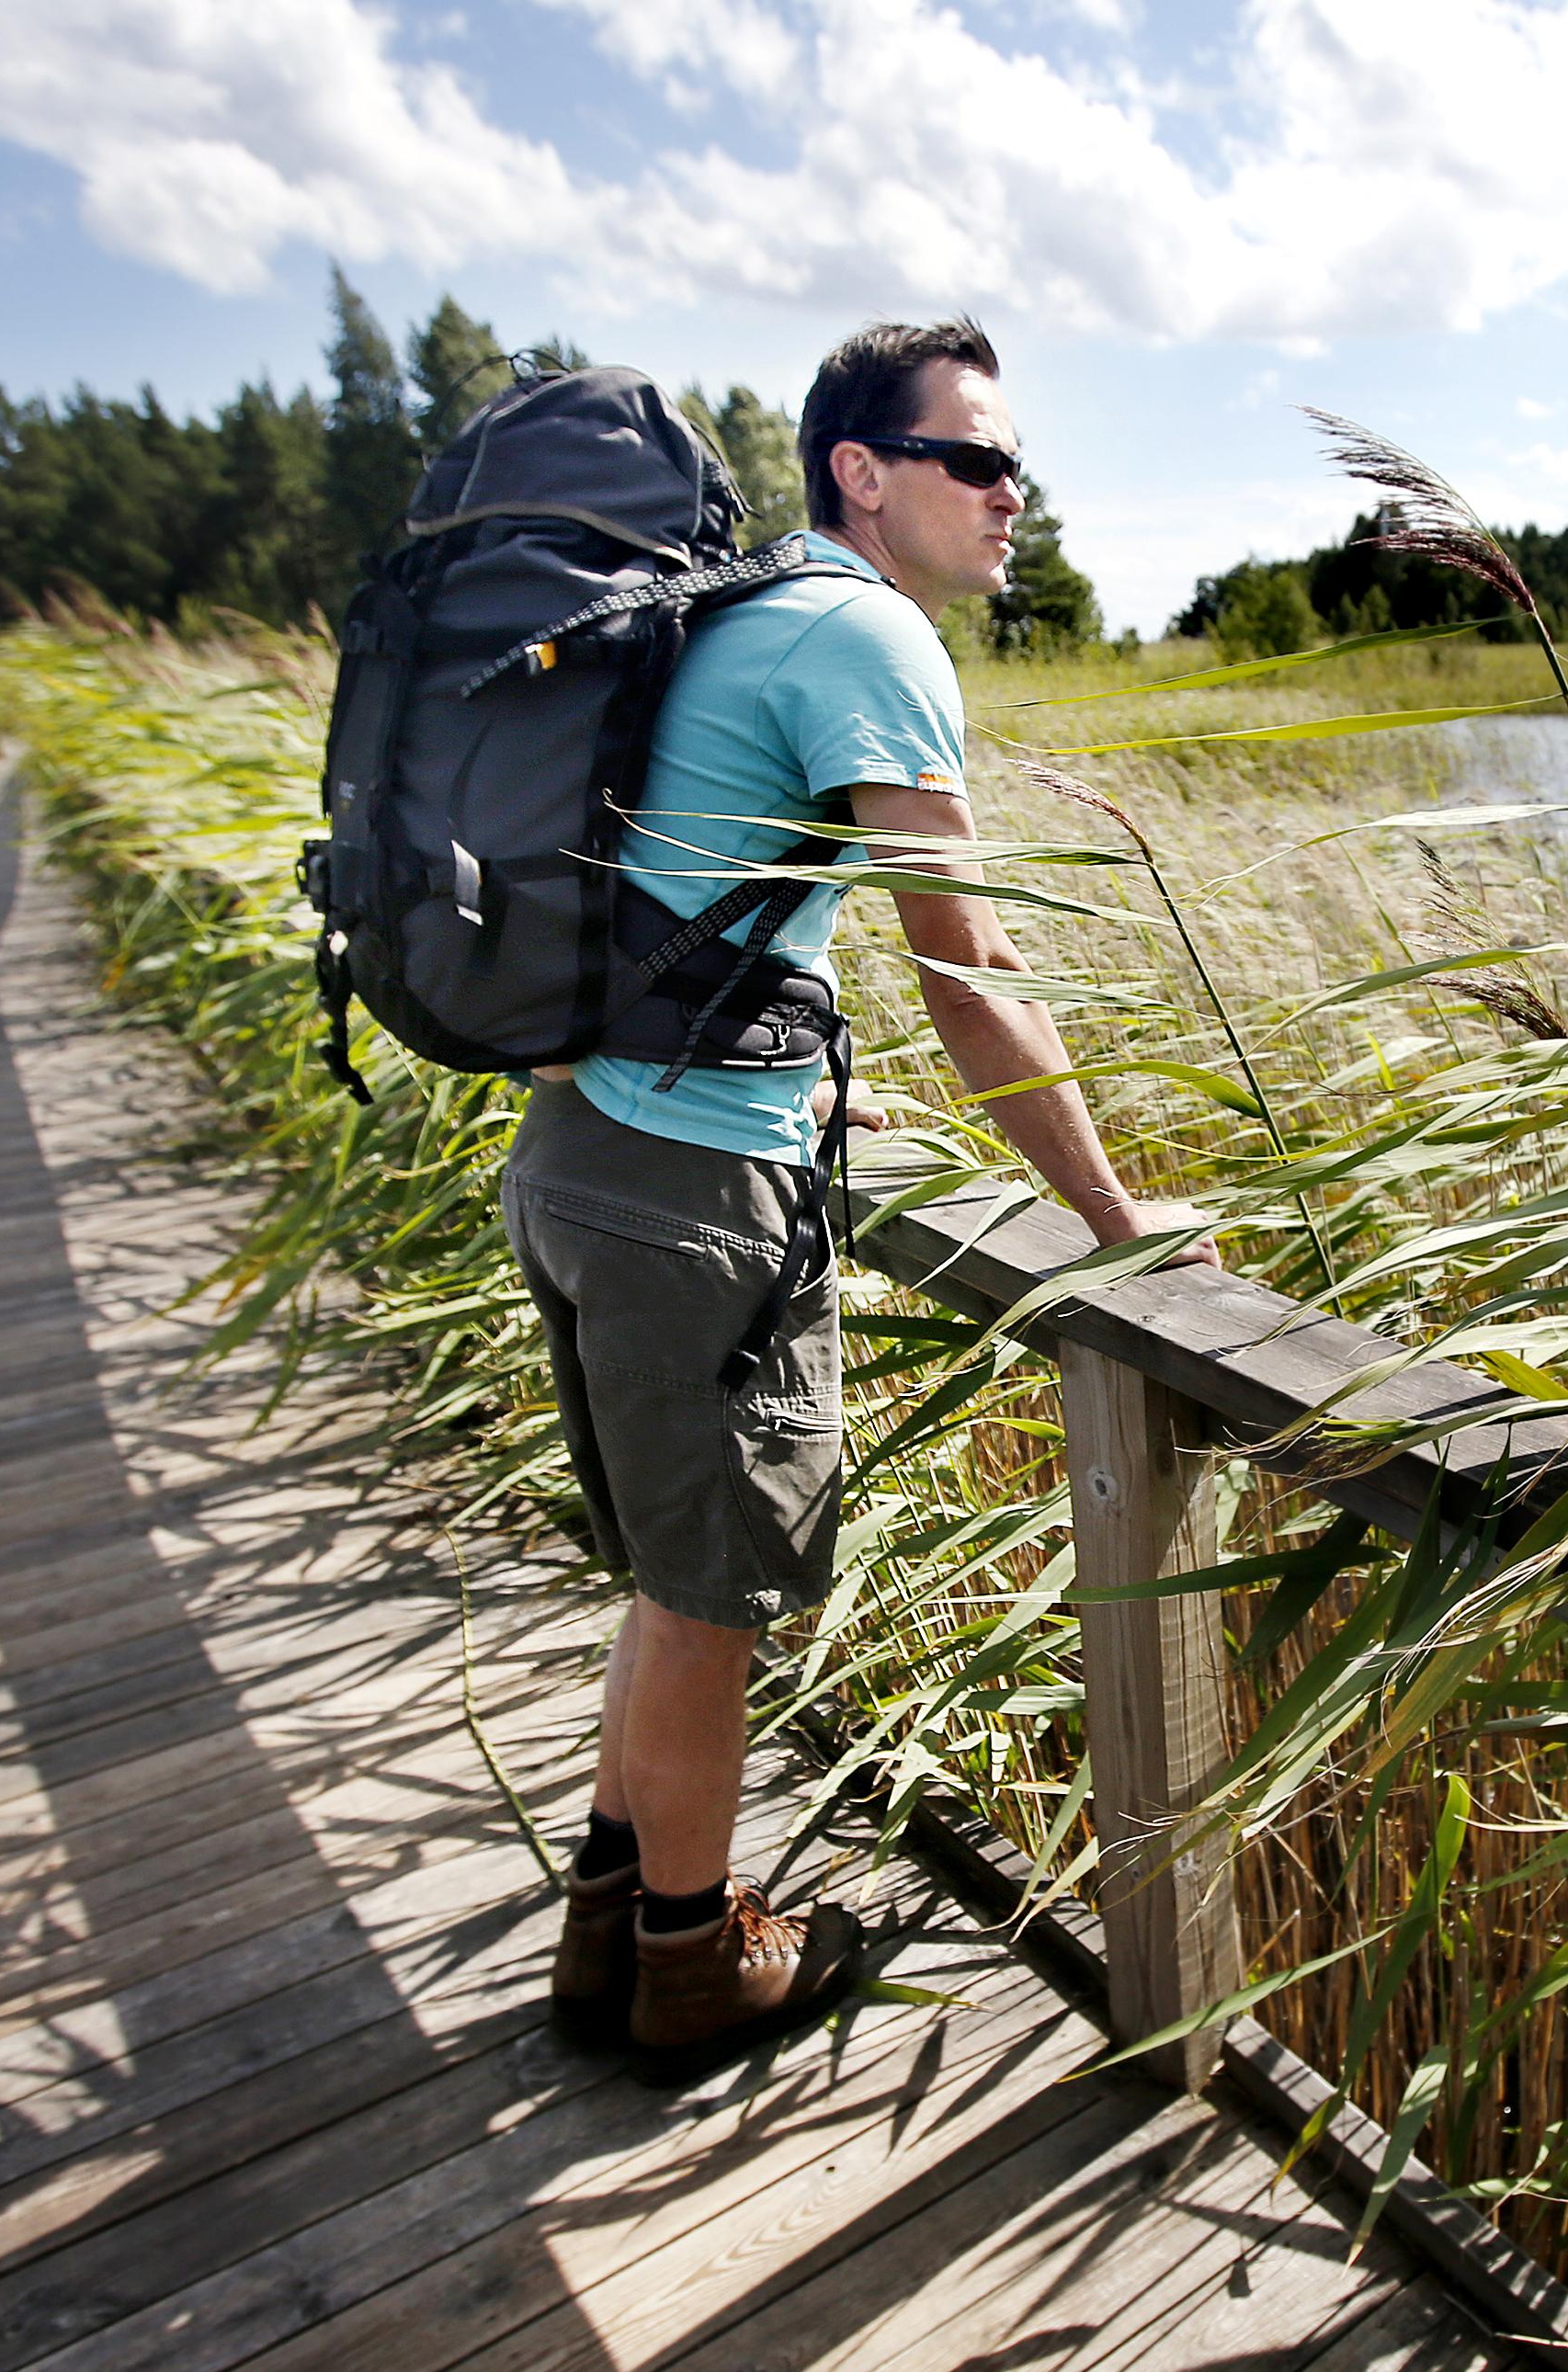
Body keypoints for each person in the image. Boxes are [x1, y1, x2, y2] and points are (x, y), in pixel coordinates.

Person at [502, 316, 1210, 2081]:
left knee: (667, 1586)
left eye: (1016, 461)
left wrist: (803, 1059)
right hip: (687, 1200)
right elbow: (970, 973)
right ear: (863, 474)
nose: (1010, 493)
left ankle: (611, 1927)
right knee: (706, 1604)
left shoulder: (737, 613)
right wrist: (1121, 1224)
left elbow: (706, 897)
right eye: (975, 458)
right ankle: (690, 1960)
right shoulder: (867, 631)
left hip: (582, 1155)